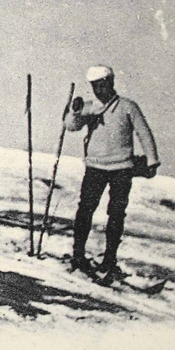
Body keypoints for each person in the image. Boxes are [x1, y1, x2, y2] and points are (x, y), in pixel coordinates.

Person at [65, 65, 159, 283]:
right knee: (85, 209)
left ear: (111, 82)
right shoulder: (90, 108)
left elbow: (144, 133)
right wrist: (75, 111)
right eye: (95, 86)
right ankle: (78, 255)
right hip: (95, 167)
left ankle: (109, 259)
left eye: (102, 84)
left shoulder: (127, 107)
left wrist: (152, 160)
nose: (99, 90)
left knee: (116, 213)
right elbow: (71, 126)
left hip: (122, 168)